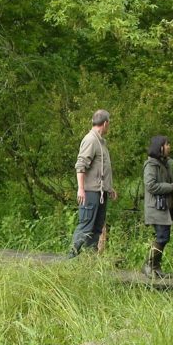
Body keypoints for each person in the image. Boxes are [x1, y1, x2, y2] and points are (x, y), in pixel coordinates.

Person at [68, 109, 117, 258]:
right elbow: (80, 165)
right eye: (109, 124)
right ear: (106, 123)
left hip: (100, 192)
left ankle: (89, 262)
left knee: (96, 229)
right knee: (86, 227)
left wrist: (109, 188)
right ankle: (70, 258)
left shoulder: (101, 141)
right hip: (90, 193)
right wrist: (81, 189)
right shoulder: (90, 139)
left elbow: (100, 169)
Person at [142, 136, 173, 277]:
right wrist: (171, 187)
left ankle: (155, 268)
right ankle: (149, 265)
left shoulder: (165, 163)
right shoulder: (151, 165)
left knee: (164, 237)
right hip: (156, 207)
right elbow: (150, 185)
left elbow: (166, 182)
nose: (169, 147)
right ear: (160, 147)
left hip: (164, 207)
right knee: (162, 237)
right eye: (167, 144)